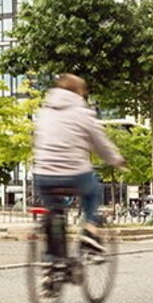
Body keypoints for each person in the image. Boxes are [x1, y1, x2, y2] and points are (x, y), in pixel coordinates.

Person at [33, 73, 125, 254]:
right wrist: (116, 159)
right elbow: (100, 144)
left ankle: (52, 265)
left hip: (42, 174)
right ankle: (89, 232)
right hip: (74, 173)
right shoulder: (83, 113)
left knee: (54, 213)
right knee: (94, 191)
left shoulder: (43, 112)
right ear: (79, 93)